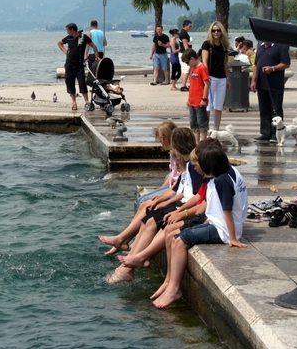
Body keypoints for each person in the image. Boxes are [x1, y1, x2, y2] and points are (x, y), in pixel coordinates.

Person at [151, 143, 248, 309]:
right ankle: (170, 284)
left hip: (221, 230)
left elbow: (227, 210)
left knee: (180, 240)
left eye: (199, 165)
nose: (196, 169)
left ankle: (174, 289)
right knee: (175, 237)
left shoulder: (221, 181)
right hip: (217, 224)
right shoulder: (229, 173)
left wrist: (232, 238)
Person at [105, 127, 200, 284]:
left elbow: (194, 195)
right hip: (181, 204)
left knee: (153, 222)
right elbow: (179, 189)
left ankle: (129, 266)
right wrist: (162, 200)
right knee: (149, 215)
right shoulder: (188, 164)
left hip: (185, 208)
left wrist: (173, 206)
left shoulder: (193, 166)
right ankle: (129, 259)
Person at [99, 121, 179, 256]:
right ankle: (125, 240)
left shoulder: (178, 154)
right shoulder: (173, 153)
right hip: (173, 187)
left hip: (176, 190)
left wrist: (162, 195)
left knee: (146, 203)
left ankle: (124, 240)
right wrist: (159, 190)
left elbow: (178, 181)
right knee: (143, 200)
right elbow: (172, 176)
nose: (159, 141)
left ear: (167, 137)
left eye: (160, 138)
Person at [250, 41, 290, 142]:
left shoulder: (281, 46)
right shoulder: (260, 47)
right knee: (264, 110)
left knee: (275, 109)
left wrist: (272, 68)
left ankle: (275, 135)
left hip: (275, 84)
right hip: (261, 84)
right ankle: (265, 133)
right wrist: (253, 81)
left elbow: (286, 64)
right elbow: (256, 65)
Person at [57, 23, 99, 111]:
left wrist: (97, 56)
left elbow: (94, 46)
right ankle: (74, 103)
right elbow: (59, 43)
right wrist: (65, 51)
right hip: (69, 64)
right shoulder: (68, 38)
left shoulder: (83, 37)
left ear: (72, 30)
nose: (67, 32)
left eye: (67, 30)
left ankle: (86, 102)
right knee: (70, 83)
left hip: (79, 64)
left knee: (82, 83)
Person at [201, 21, 230, 131]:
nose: (216, 33)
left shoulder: (223, 46)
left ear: (221, 32)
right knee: (209, 105)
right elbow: (204, 61)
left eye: (218, 30)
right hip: (211, 76)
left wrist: (227, 78)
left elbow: (225, 63)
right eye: (213, 31)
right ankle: (205, 129)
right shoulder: (207, 44)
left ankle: (216, 129)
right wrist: (206, 76)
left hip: (221, 77)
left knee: (219, 105)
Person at [182, 49, 210, 143]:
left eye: (187, 62)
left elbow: (207, 84)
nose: (187, 65)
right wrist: (189, 99)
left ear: (192, 59)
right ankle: (196, 142)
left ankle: (203, 142)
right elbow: (192, 85)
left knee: (202, 123)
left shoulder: (202, 68)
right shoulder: (192, 68)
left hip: (199, 100)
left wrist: (204, 98)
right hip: (192, 101)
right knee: (194, 124)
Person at [178, 20, 193, 91]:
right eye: (190, 26)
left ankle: (183, 84)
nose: (190, 28)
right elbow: (185, 45)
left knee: (183, 70)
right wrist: (189, 54)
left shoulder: (183, 32)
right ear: (185, 25)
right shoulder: (184, 34)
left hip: (181, 53)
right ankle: (183, 85)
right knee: (186, 69)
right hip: (184, 54)